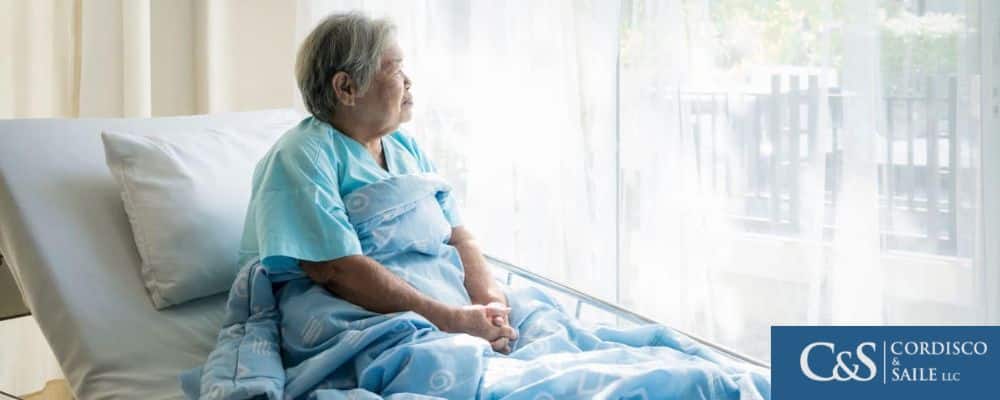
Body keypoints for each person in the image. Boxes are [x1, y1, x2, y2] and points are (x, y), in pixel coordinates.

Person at [238, 12, 517, 353]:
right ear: (346, 87)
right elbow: (339, 269)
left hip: (448, 302)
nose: (409, 81)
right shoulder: (302, 156)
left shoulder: (404, 146)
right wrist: (454, 322)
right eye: (397, 69)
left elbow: (458, 235)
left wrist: (491, 307)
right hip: (363, 312)